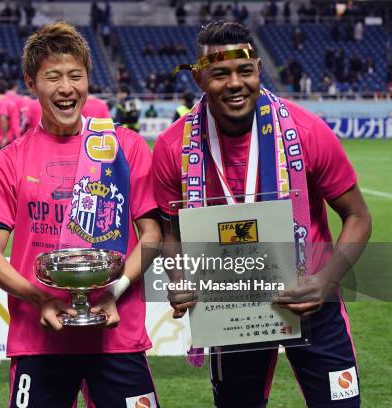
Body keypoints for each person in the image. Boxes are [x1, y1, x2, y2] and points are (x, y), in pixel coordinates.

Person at [152, 21, 371, 407]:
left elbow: (357, 216)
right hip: (230, 308)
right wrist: (178, 277)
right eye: (220, 73)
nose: (235, 83)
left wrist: (324, 282)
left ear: (258, 71)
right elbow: (171, 228)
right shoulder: (173, 147)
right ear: (200, 78)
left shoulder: (306, 132)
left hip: (312, 300)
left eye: (245, 71)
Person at [0, 22, 162, 407]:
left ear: (88, 79)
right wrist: (40, 299)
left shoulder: (123, 148)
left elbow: (151, 235)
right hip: (40, 341)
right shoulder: (7, 161)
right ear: (31, 82)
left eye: (75, 76)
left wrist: (115, 291)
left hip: (117, 337)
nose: (66, 88)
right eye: (53, 77)